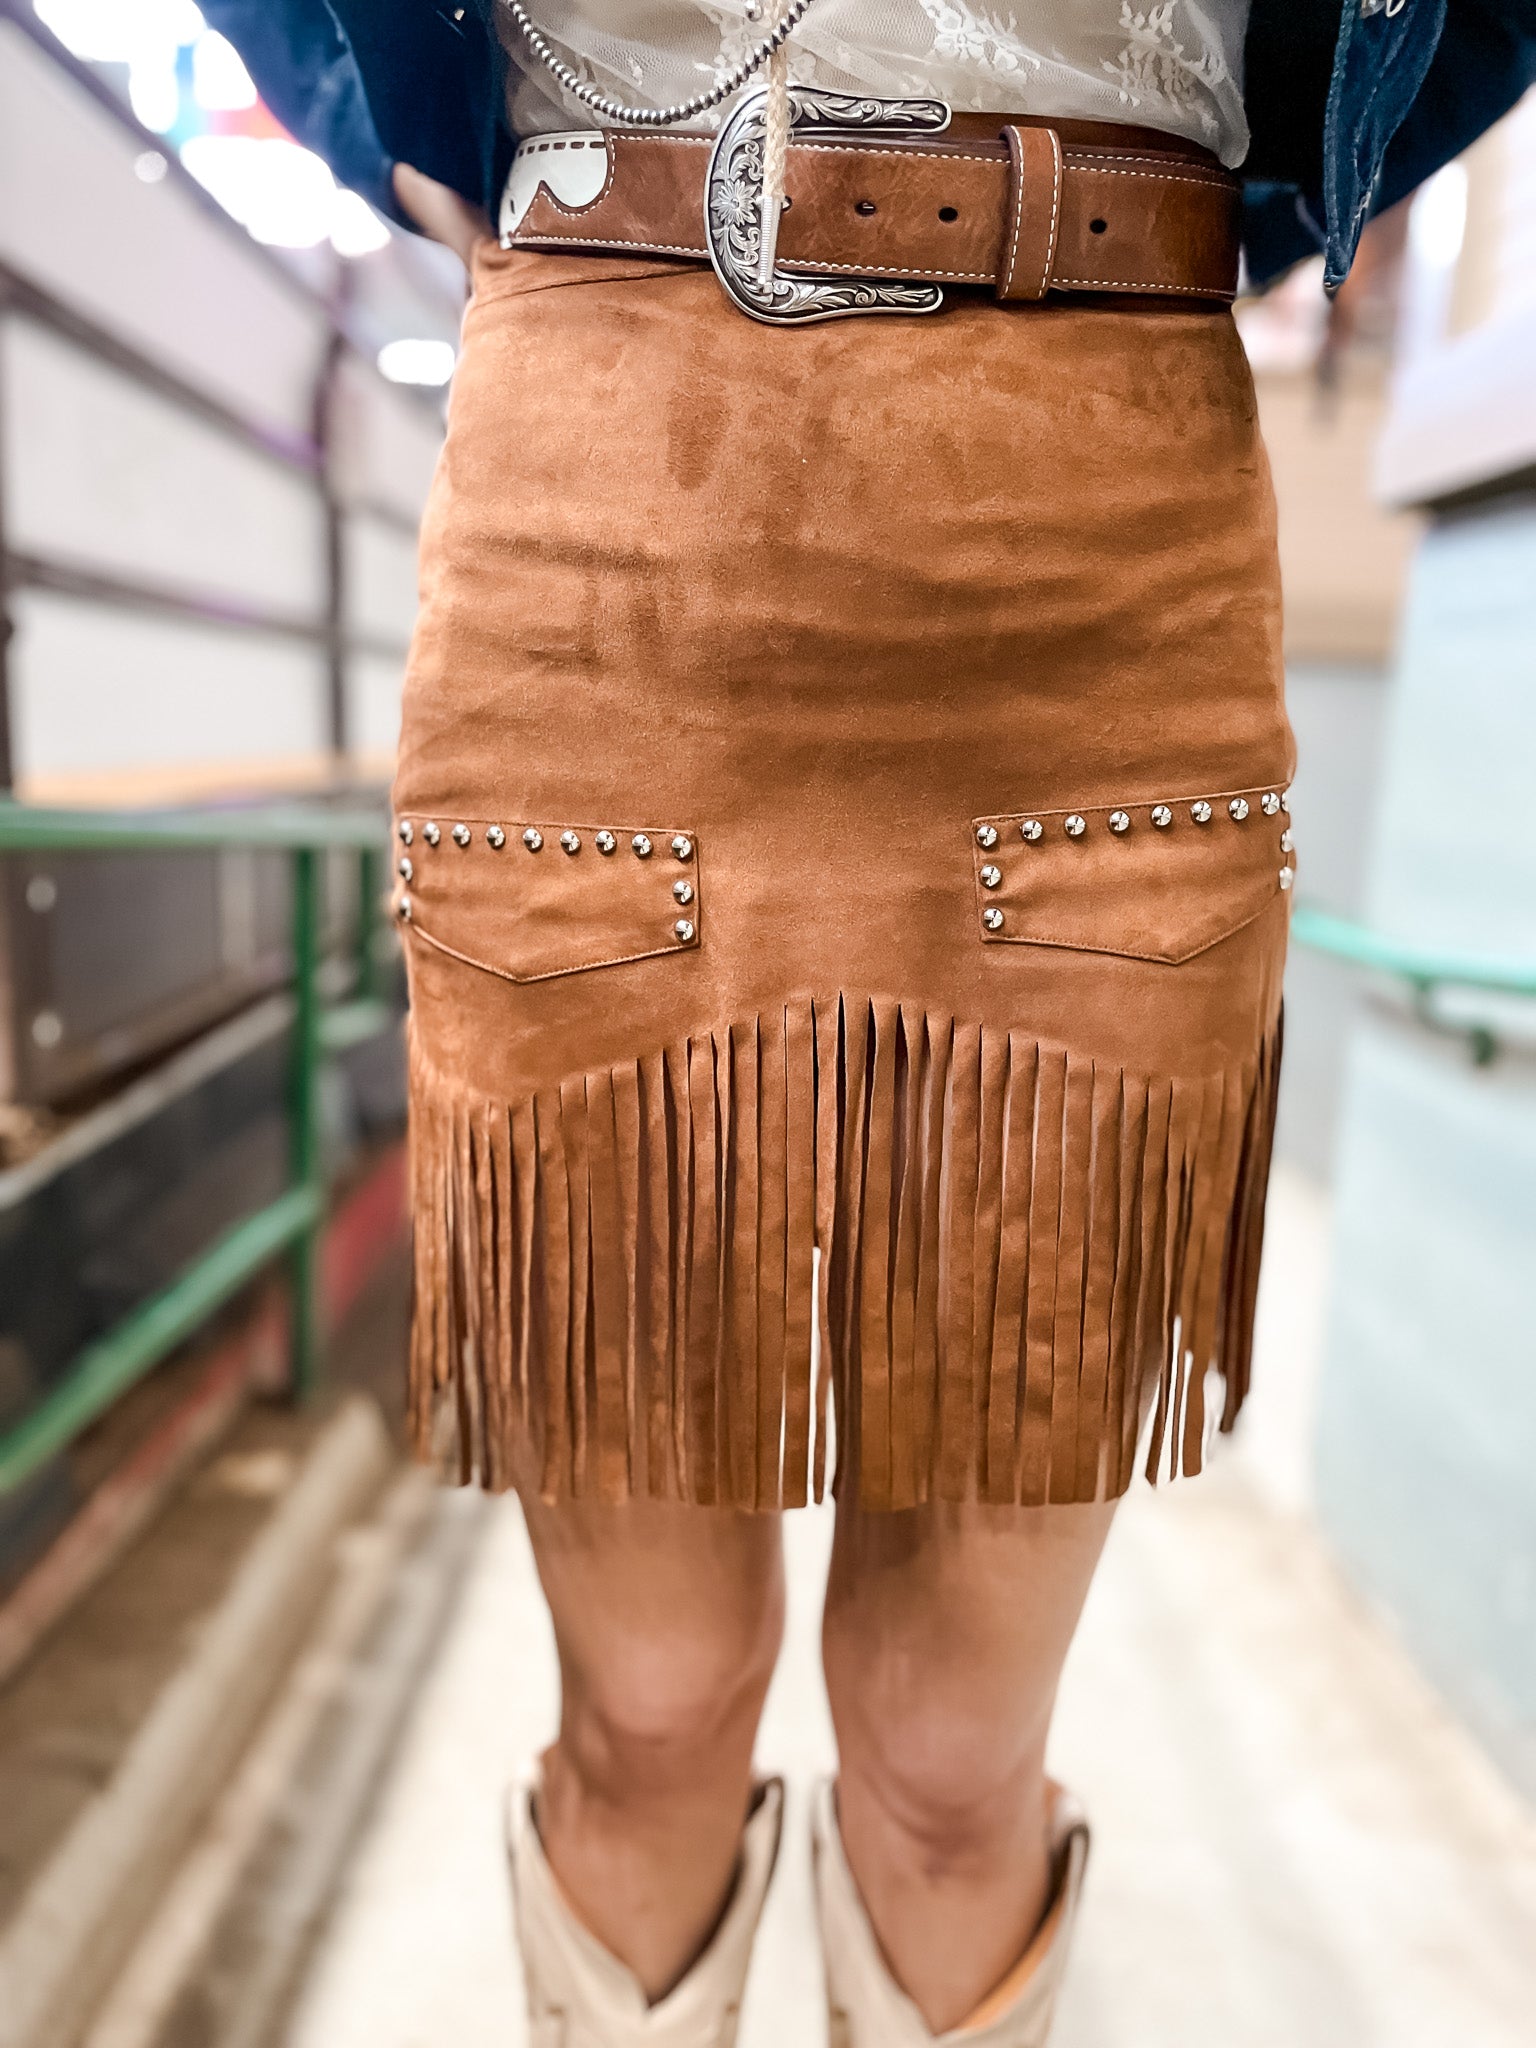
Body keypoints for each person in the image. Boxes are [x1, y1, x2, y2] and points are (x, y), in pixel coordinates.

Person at [205, 6, 1536, 2043]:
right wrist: (377, 115)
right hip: (612, 487)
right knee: (651, 1699)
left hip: (1100, 490)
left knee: (944, 1743)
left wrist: (1277, 189)